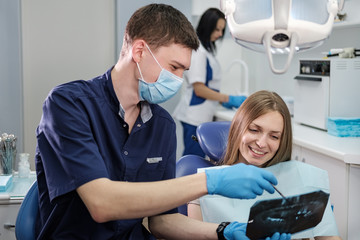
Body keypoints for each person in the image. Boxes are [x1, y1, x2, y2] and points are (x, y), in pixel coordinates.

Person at [34, 4, 291, 240]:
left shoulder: (162, 125)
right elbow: (102, 204)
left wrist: (226, 231)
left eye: (184, 71)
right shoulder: (69, 104)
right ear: (139, 51)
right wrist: (210, 181)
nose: (179, 80)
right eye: (174, 67)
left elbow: (162, 221)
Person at [188, 90, 342, 240]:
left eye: (274, 136)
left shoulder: (305, 179)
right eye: (254, 130)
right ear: (238, 127)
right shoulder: (204, 187)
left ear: (282, 141)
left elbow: (330, 237)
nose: (261, 143)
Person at [173, 8, 247, 157]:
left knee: (196, 158)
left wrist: (222, 101)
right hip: (194, 117)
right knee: (193, 160)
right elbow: (199, 89)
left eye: (222, 30)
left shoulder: (205, 51)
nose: (220, 34)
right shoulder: (198, 52)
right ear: (208, 26)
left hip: (200, 115)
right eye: (217, 29)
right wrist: (228, 98)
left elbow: (209, 86)